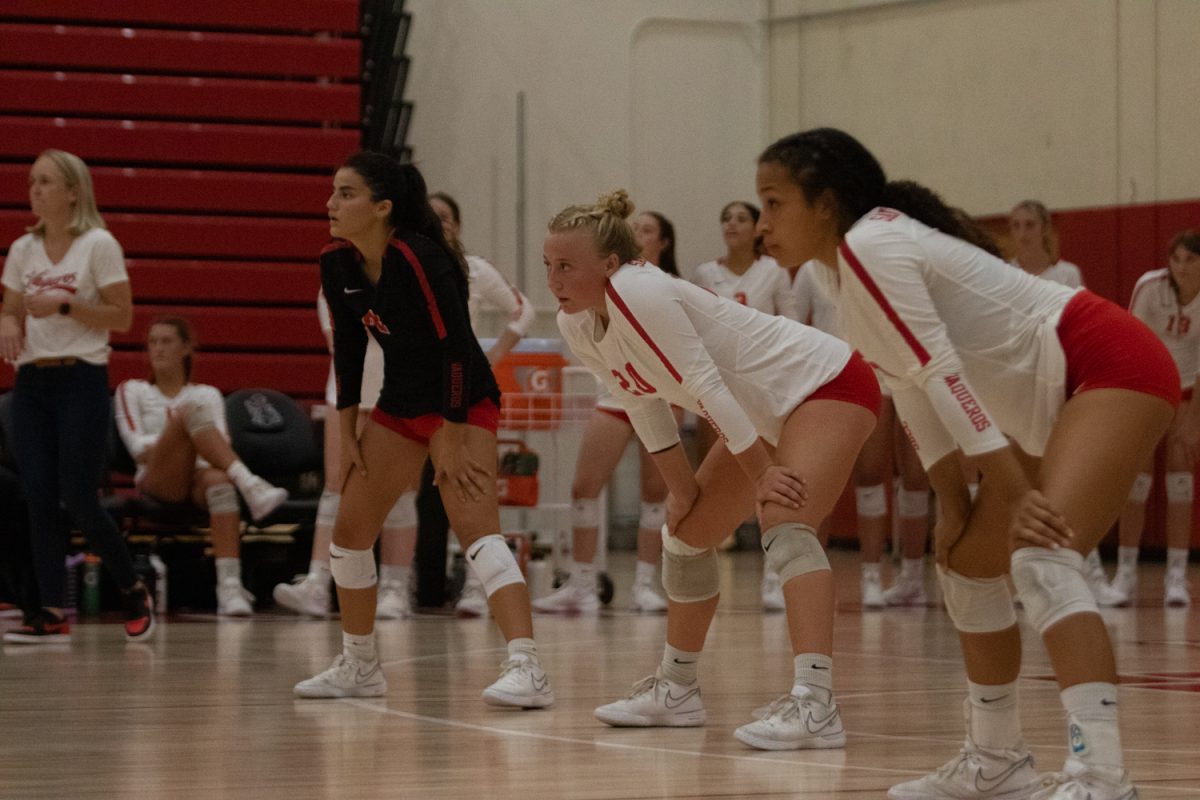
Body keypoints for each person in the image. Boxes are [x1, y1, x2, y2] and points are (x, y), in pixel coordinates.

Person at [756, 127, 1177, 799]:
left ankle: (1102, 776)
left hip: (1110, 362)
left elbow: (942, 372)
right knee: (965, 566)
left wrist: (1008, 487)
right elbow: (909, 388)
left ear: (826, 203)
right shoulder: (834, 273)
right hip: (1044, 405)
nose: (761, 225)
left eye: (774, 204)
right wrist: (954, 506)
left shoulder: (872, 244)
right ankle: (996, 759)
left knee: (1042, 557)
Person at [550, 190, 878, 750]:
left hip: (827, 383)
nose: (554, 278)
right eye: (549, 265)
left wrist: (758, 475)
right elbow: (643, 403)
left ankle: (816, 703)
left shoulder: (638, 287)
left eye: (566, 265)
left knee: (783, 520)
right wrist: (681, 490)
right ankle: (677, 691)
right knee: (684, 534)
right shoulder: (577, 322)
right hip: (758, 411)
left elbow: (704, 386)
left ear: (609, 264)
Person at [293, 152, 553, 708]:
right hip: (398, 405)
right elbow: (348, 345)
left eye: (346, 194)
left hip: (462, 401)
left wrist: (453, 436)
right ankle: (360, 665)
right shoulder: (337, 261)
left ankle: (528, 667)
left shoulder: (419, 256)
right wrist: (348, 432)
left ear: (383, 207)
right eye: (333, 192)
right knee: (349, 535)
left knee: (478, 531)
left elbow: (458, 349)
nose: (331, 204)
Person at [0, 149, 154, 643]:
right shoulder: (24, 248)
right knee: (38, 497)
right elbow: (9, 307)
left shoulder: (98, 244)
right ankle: (49, 609)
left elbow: (122, 317)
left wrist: (65, 304)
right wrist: (7, 320)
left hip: (81, 381)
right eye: (31, 183)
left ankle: (131, 586)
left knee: (79, 499)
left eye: (45, 182)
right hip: (31, 384)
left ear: (73, 191)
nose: (35, 191)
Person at [533, 210, 678, 614]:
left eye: (647, 230)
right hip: (616, 396)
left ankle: (646, 585)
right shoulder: (592, 294)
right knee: (584, 486)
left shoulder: (663, 287)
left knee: (656, 493)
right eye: (633, 230)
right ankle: (582, 584)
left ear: (663, 242)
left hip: (664, 396)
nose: (638, 235)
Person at [115, 318, 288, 616]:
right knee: (191, 413)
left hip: (199, 478)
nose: (158, 348)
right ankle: (250, 484)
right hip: (158, 480)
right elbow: (137, 449)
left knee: (220, 481)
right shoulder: (132, 390)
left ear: (185, 348)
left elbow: (221, 444)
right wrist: (183, 435)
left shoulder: (207, 392)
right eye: (153, 342)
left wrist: (190, 441)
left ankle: (229, 588)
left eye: (167, 341)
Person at [791, 261, 931, 608]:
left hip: (902, 371)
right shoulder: (811, 269)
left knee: (915, 476)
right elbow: (793, 326)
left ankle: (911, 578)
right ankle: (856, 575)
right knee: (850, 475)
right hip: (840, 375)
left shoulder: (881, 258)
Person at [272, 291, 418, 620]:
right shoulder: (336, 272)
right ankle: (318, 583)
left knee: (401, 488)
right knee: (337, 483)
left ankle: (396, 587)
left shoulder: (407, 265)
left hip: (403, 384)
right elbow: (339, 340)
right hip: (348, 385)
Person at [427, 191, 537, 617]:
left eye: (446, 216)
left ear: (457, 224)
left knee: (471, 489)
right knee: (401, 496)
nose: (440, 223)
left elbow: (522, 311)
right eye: (432, 216)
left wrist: (490, 357)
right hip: (416, 392)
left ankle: (478, 586)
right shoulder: (405, 268)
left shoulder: (473, 269)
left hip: (463, 391)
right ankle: (398, 587)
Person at [693, 201, 800, 609]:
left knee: (769, 475)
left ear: (756, 227)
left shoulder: (772, 271)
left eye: (741, 218)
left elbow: (789, 324)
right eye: (726, 218)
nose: (732, 224)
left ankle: (774, 576)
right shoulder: (706, 273)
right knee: (712, 479)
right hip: (716, 386)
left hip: (763, 387)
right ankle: (705, 577)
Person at [1110, 230, 1200, 608]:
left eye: (1190, 260)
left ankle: (1176, 576)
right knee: (1138, 480)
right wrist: (1136, 404)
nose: (1181, 267)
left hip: (1188, 391)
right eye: (1176, 259)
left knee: (1180, 477)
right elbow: (1133, 342)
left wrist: (1192, 418)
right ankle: (1125, 573)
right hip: (1147, 388)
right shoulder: (1150, 287)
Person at [1008, 199, 1083, 287]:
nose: (1022, 234)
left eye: (1030, 225)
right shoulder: (1004, 272)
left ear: (1044, 228)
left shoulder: (1068, 273)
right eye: (1016, 226)